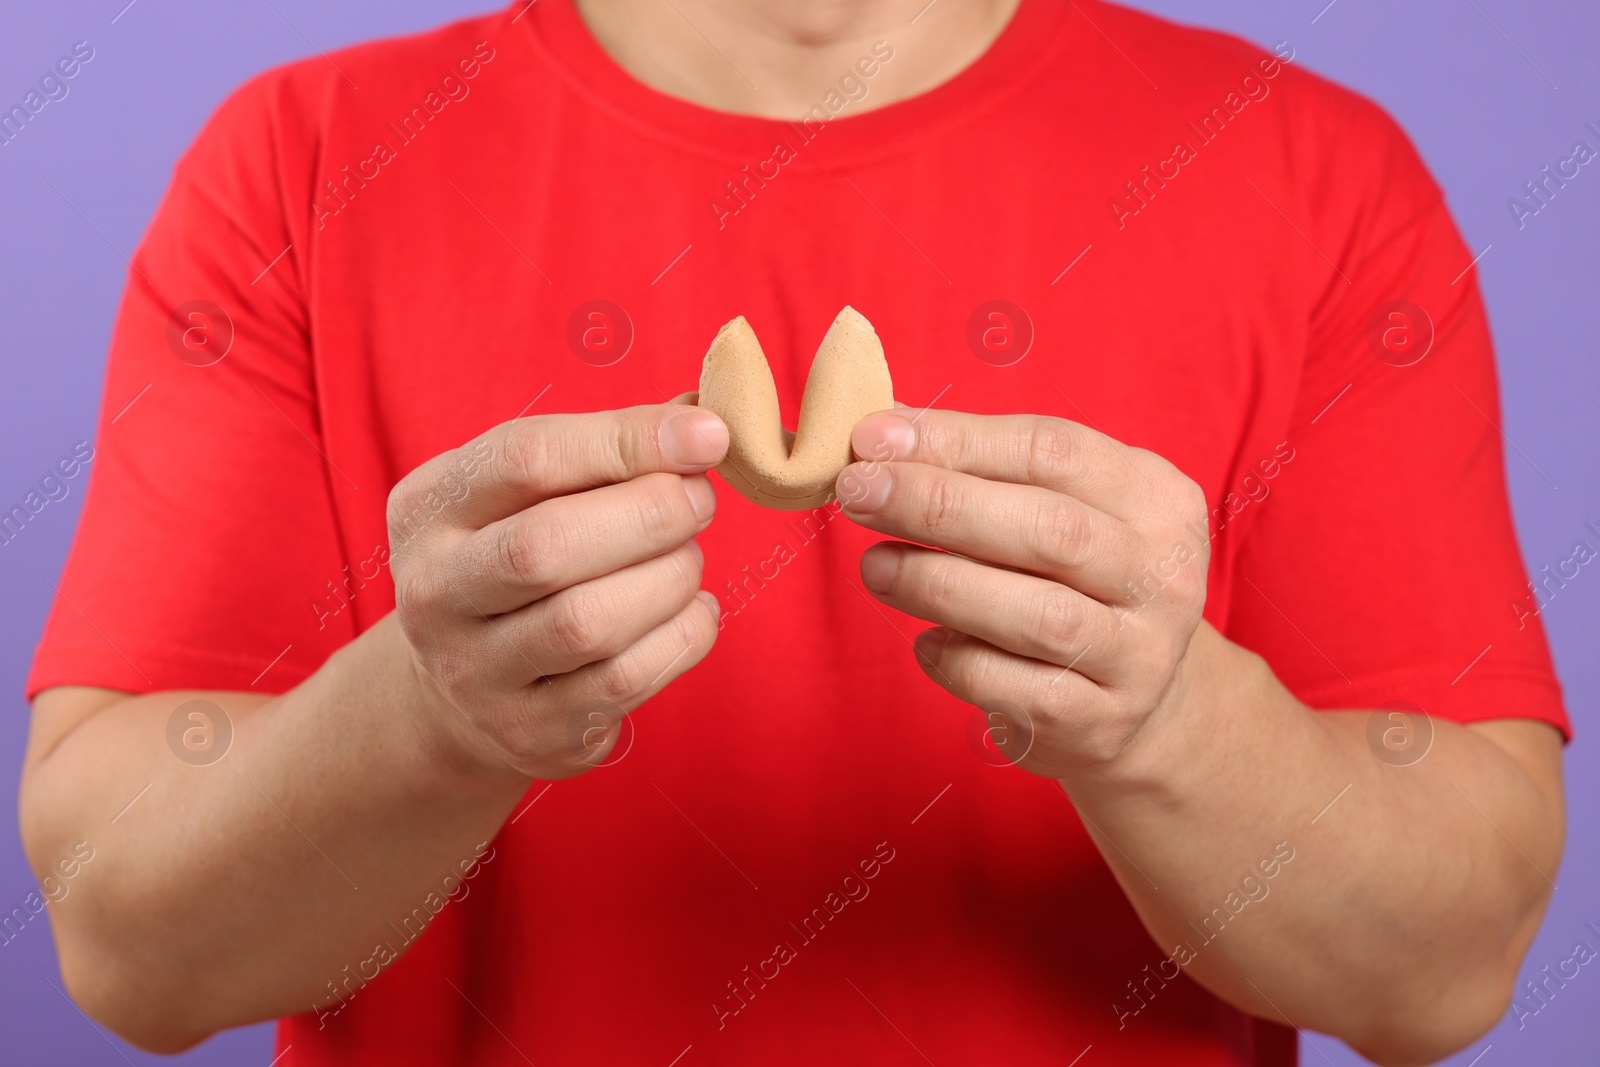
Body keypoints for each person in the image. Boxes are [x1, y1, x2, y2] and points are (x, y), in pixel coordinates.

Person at [19, 1, 1567, 1064]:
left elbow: (1444, 969)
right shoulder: (298, 165)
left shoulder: (1312, 175)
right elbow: (130, 948)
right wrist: (425, 718)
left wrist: (1169, 719)